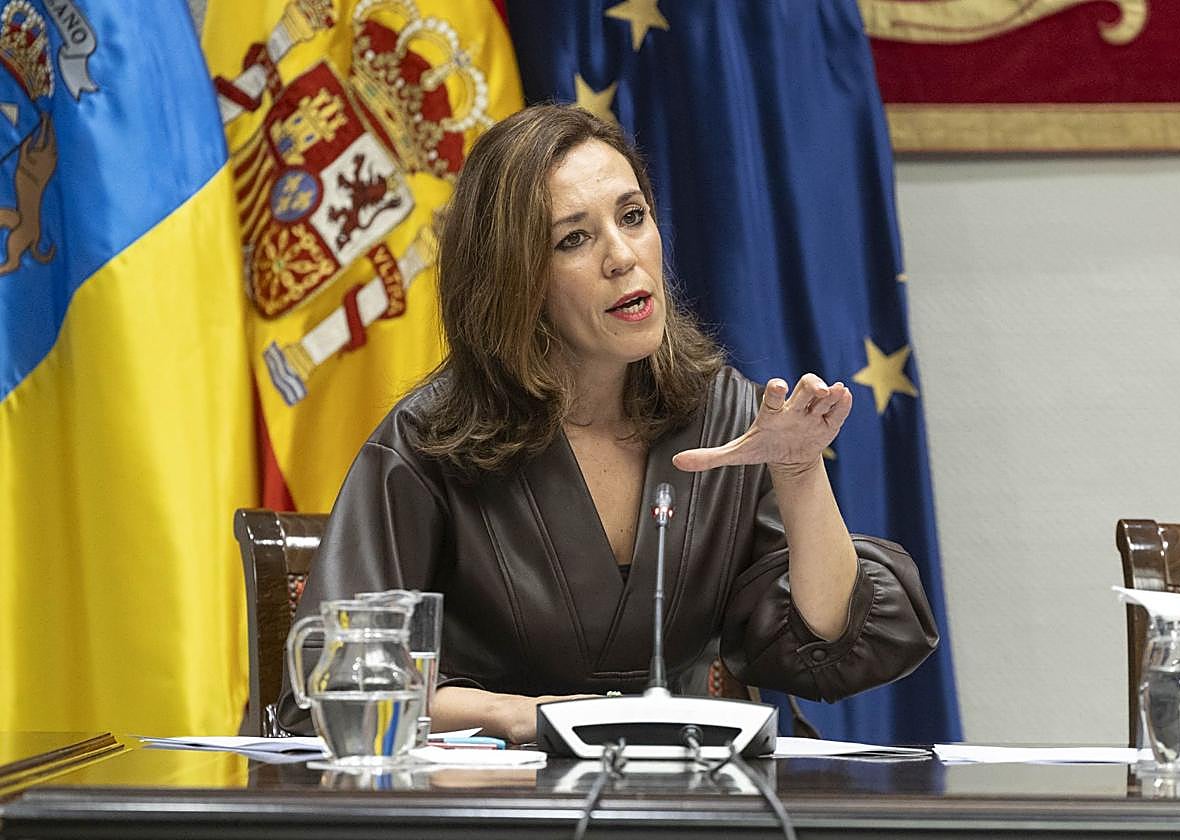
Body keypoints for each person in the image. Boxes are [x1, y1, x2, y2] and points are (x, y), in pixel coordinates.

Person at [278, 104, 938, 743]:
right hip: (495, 797)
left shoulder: (726, 415)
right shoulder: (429, 442)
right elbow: (332, 685)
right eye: (574, 239)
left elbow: (829, 647)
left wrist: (798, 473)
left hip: (684, 794)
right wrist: (515, 715)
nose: (622, 256)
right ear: (515, 279)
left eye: (632, 216)